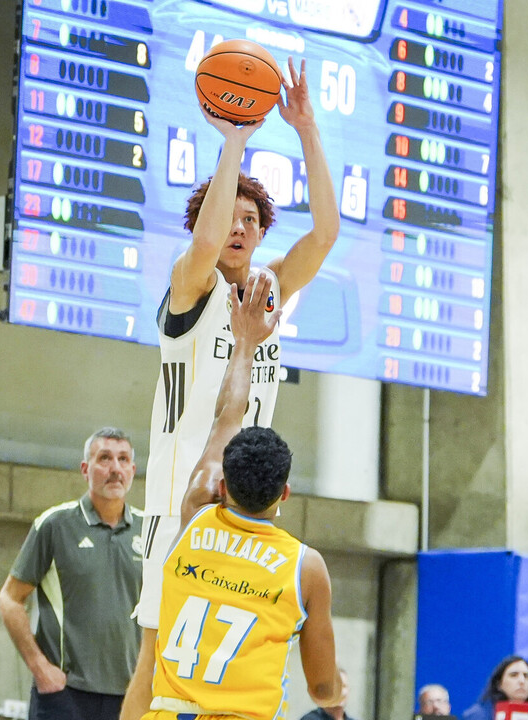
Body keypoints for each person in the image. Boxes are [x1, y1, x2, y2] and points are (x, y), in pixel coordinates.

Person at [126, 53, 341, 720]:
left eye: (252, 219)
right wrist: (235, 140)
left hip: (246, 500)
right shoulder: (191, 284)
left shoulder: (270, 290)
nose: (239, 228)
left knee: (230, 666)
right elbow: (206, 240)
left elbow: (325, 234)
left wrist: (306, 130)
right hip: (184, 497)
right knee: (154, 658)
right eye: (230, 217)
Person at [141, 273, 342, 720]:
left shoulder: (196, 510)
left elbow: (227, 414)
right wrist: (333, 685)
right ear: (284, 493)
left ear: (222, 485)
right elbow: (324, 691)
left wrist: (245, 342)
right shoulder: (305, 567)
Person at [0, 427, 144, 720]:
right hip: (65, 695)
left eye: (123, 459)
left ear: (133, 470)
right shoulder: (54, 525)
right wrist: (41, 668)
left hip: (130, 696)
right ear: (85, 469)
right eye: (105, 458)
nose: (115, 469)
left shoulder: (150, 530)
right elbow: (9, 601)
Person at [460, 656, 528, 720]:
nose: (522, 681)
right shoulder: (478, 715)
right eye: (514, 675)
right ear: (499, 684)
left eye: (526, 676)